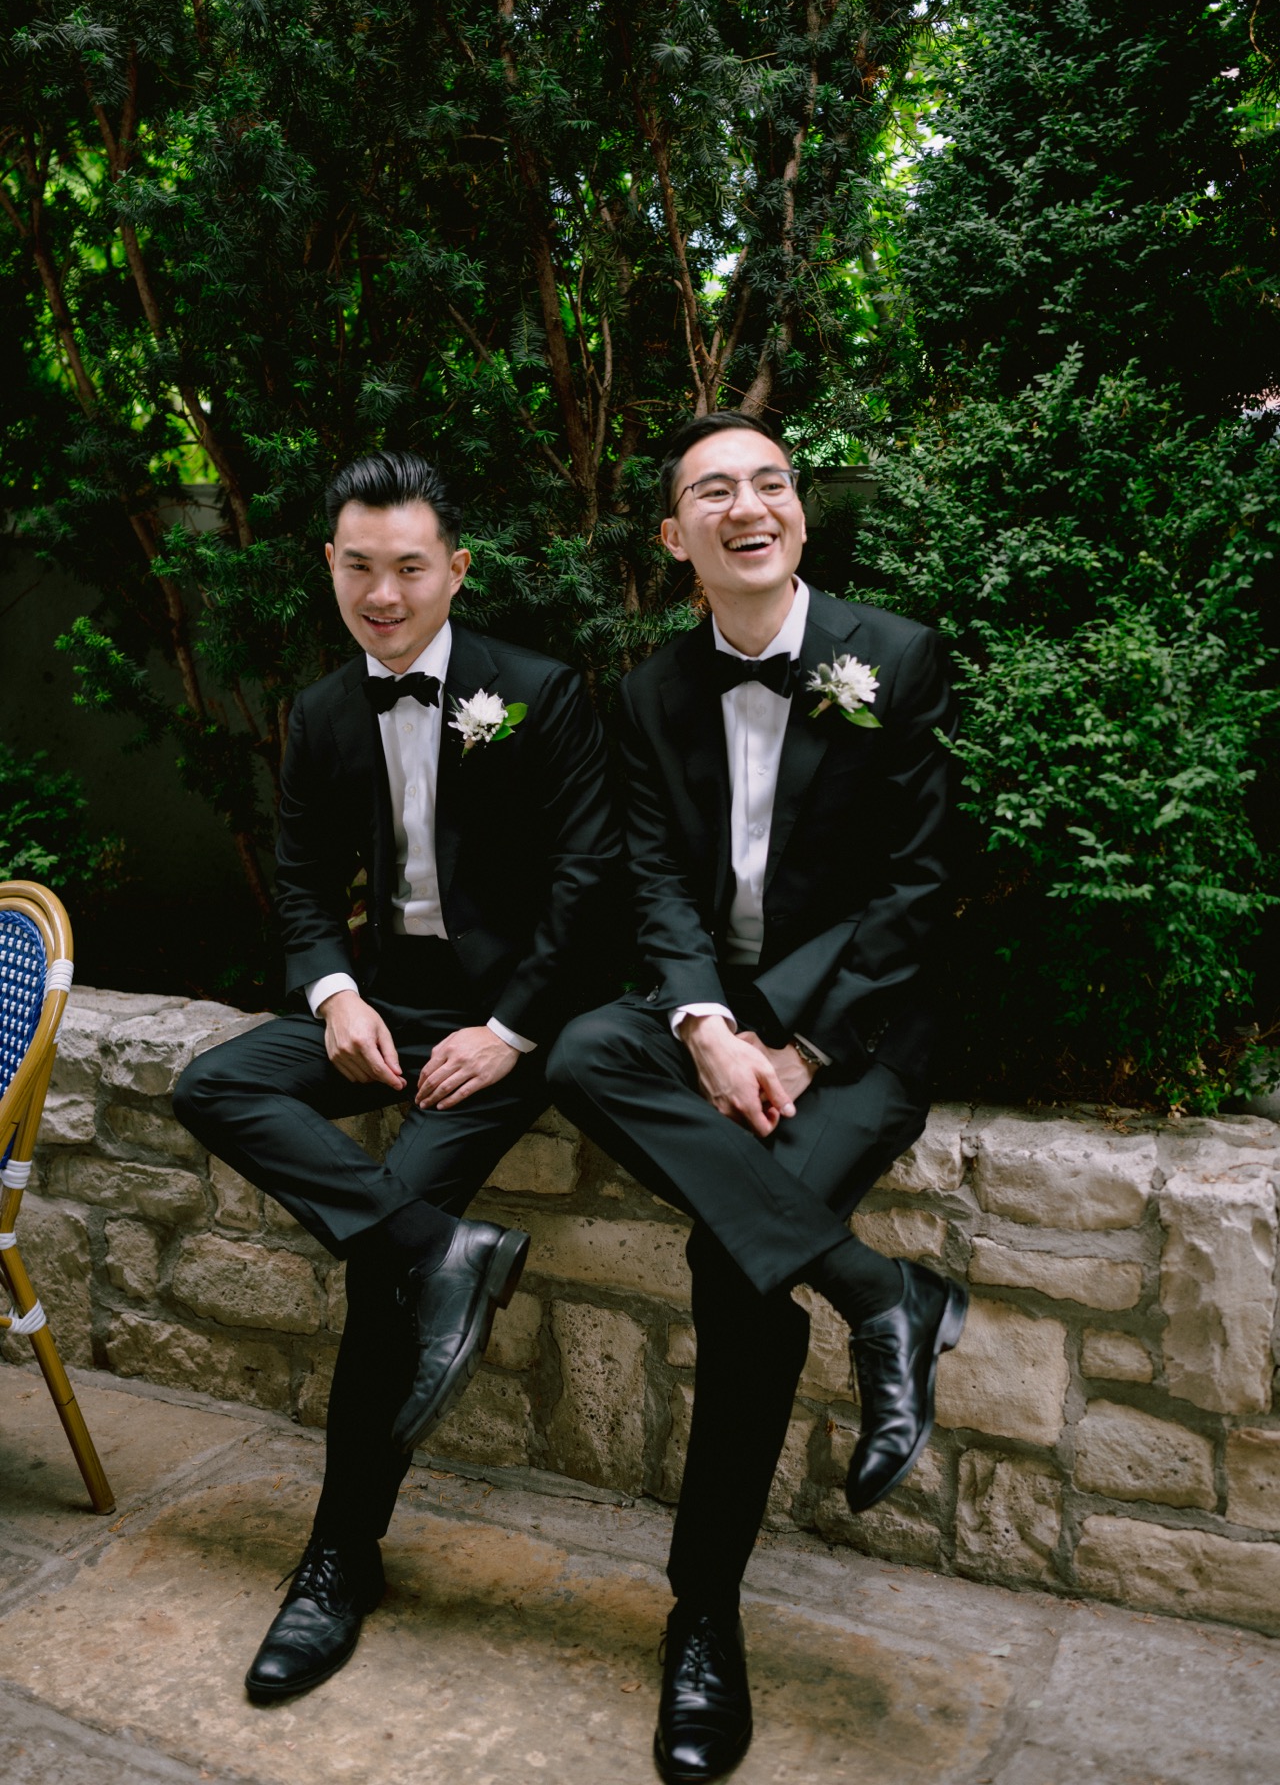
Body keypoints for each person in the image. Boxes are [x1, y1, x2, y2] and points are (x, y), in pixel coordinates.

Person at [547, 412, 967, 1785]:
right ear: (676, 537)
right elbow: (656, 883)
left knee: (735, 1270)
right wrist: (707, 1025)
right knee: (583, 1052)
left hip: (860, 1034)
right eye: (714, 489)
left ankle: (702, 1619)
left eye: (770, 482)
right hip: (715, 1015)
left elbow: (916, 885)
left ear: (796, 509)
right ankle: (876, 1292)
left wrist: (796, 1044)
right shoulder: (647, 693)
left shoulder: (891, 656)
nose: (750, 505)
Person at [174, 449, 619, 1705]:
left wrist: (510, 1032)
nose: (382, 593)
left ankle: (338, 1559)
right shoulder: (321, 713)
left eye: (409, 568)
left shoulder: (538, 692)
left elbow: (589, 884)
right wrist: (334, 996)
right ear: (330, 566)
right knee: (211, 1086)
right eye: (359, 567)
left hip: (500, 1027)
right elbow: (304, 887)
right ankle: (439, 1248)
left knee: (378, 1278)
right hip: (381, 1009)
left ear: (454, 570)